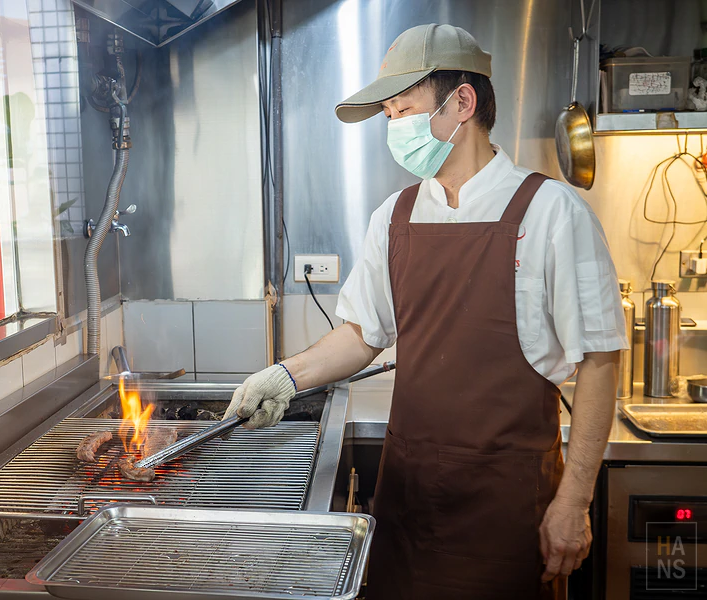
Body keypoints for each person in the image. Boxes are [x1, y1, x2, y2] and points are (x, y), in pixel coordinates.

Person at [224, 24, 627, 599]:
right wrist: (287, 375)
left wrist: (574, 501)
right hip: (407, 508)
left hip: (507, 513)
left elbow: (600, 363)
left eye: (402, 112)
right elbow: (364, 334)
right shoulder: (395, 216)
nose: (394, 130)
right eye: (388, 117)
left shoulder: (551, 212)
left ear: (461, 102)